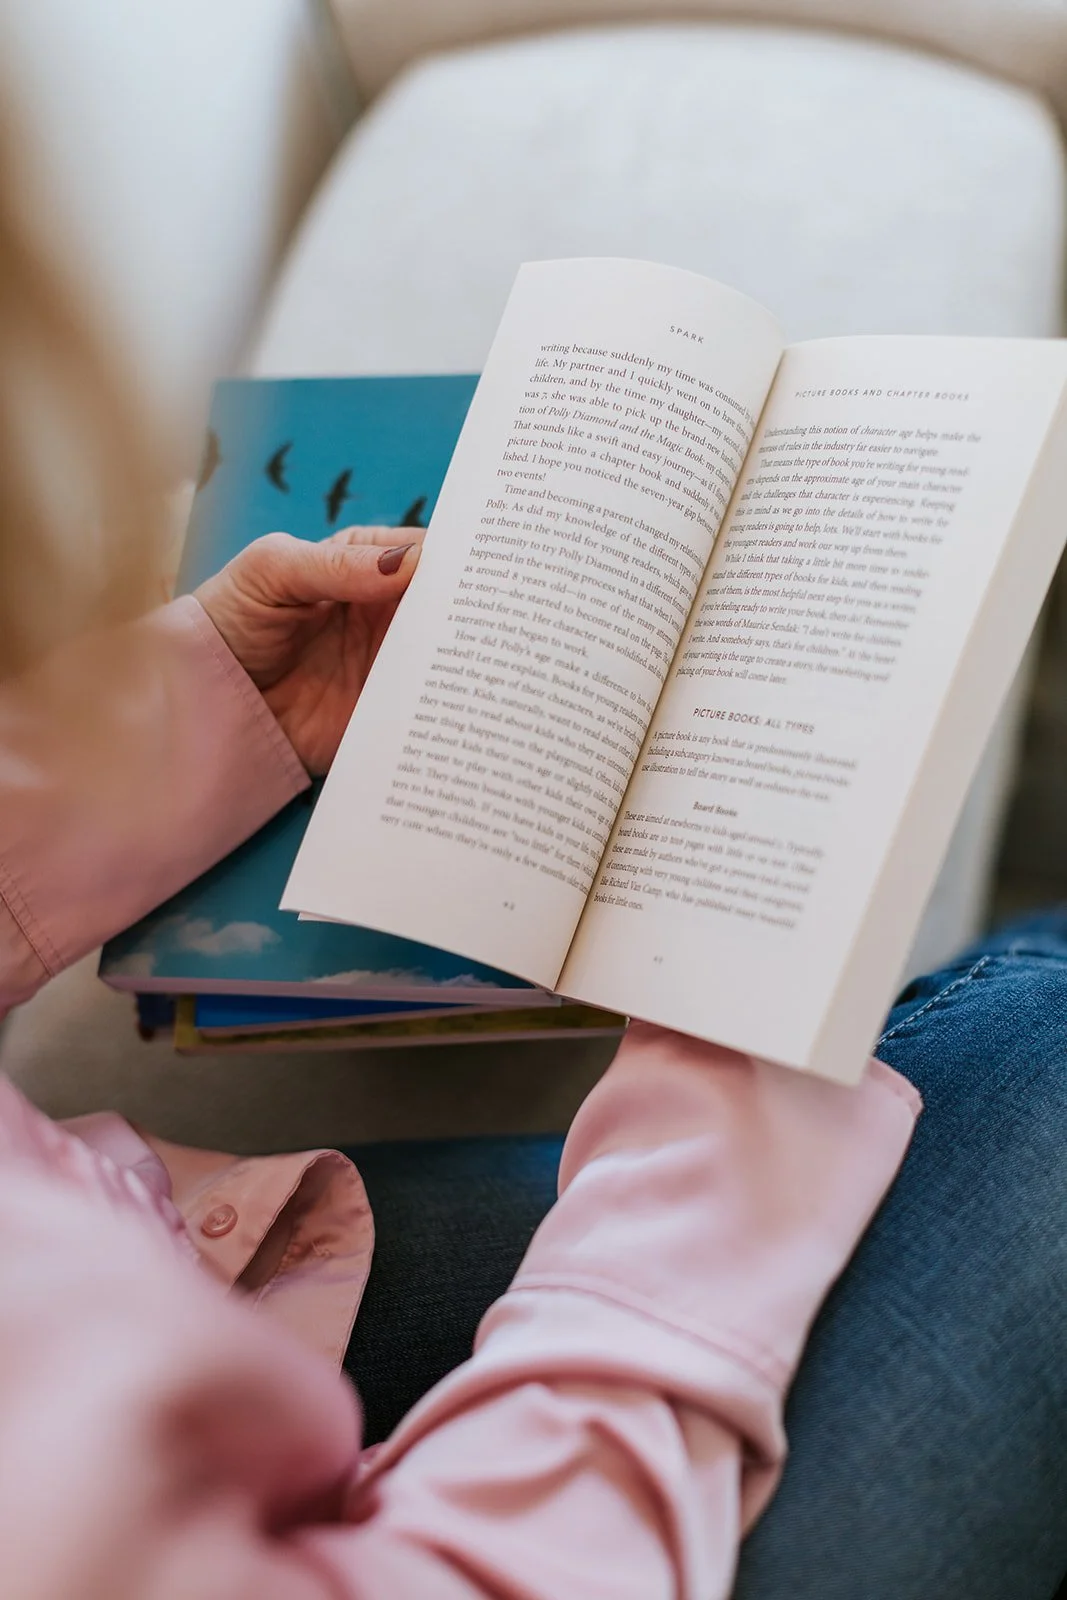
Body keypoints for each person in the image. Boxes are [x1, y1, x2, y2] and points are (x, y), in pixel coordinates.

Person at [0, 119, 1064, 1600]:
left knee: (968, 1046)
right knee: (1034, 1049)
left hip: (186, 1291)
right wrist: (714, 1074)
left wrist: (223, 702)